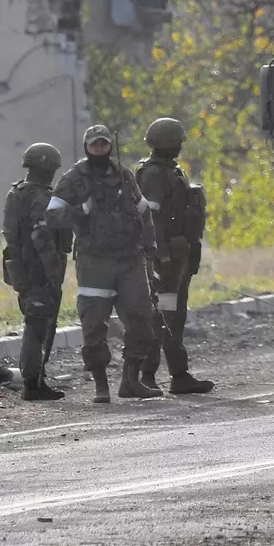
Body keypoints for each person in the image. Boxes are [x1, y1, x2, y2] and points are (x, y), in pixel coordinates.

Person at [46, 124, 164, 403]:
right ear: (87, 146)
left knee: (140, 318)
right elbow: (53, 217)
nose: (99, 148)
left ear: (110, 145)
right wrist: (82, 210)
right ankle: (101, 385)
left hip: (129, 260)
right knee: (94, 324)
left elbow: (143, 211)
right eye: (94, 144)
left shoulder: (123, 174)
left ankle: (130, 380)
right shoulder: (74, 178)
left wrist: (150, 249)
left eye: (103, 143)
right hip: (94, 262)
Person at [134, 117, 215, 394]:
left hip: (180, 255)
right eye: (177, 140)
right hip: (166, 259)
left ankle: (178, 376)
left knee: (175, 316)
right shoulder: (153, 174)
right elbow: (151, 216)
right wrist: (161, 254)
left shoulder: (172, 171)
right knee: (162, 316)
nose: (180, 145)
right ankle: (148, 374)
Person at [2, 142, 72, 401]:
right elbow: (41, 235)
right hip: (39, 268)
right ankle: (33, 382)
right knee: (38, 325)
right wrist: (52, 268)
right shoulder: (40, 196)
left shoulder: (16, 193)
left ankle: (35, 379)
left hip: (21, 266)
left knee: (35, 321)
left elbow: (11, 233)